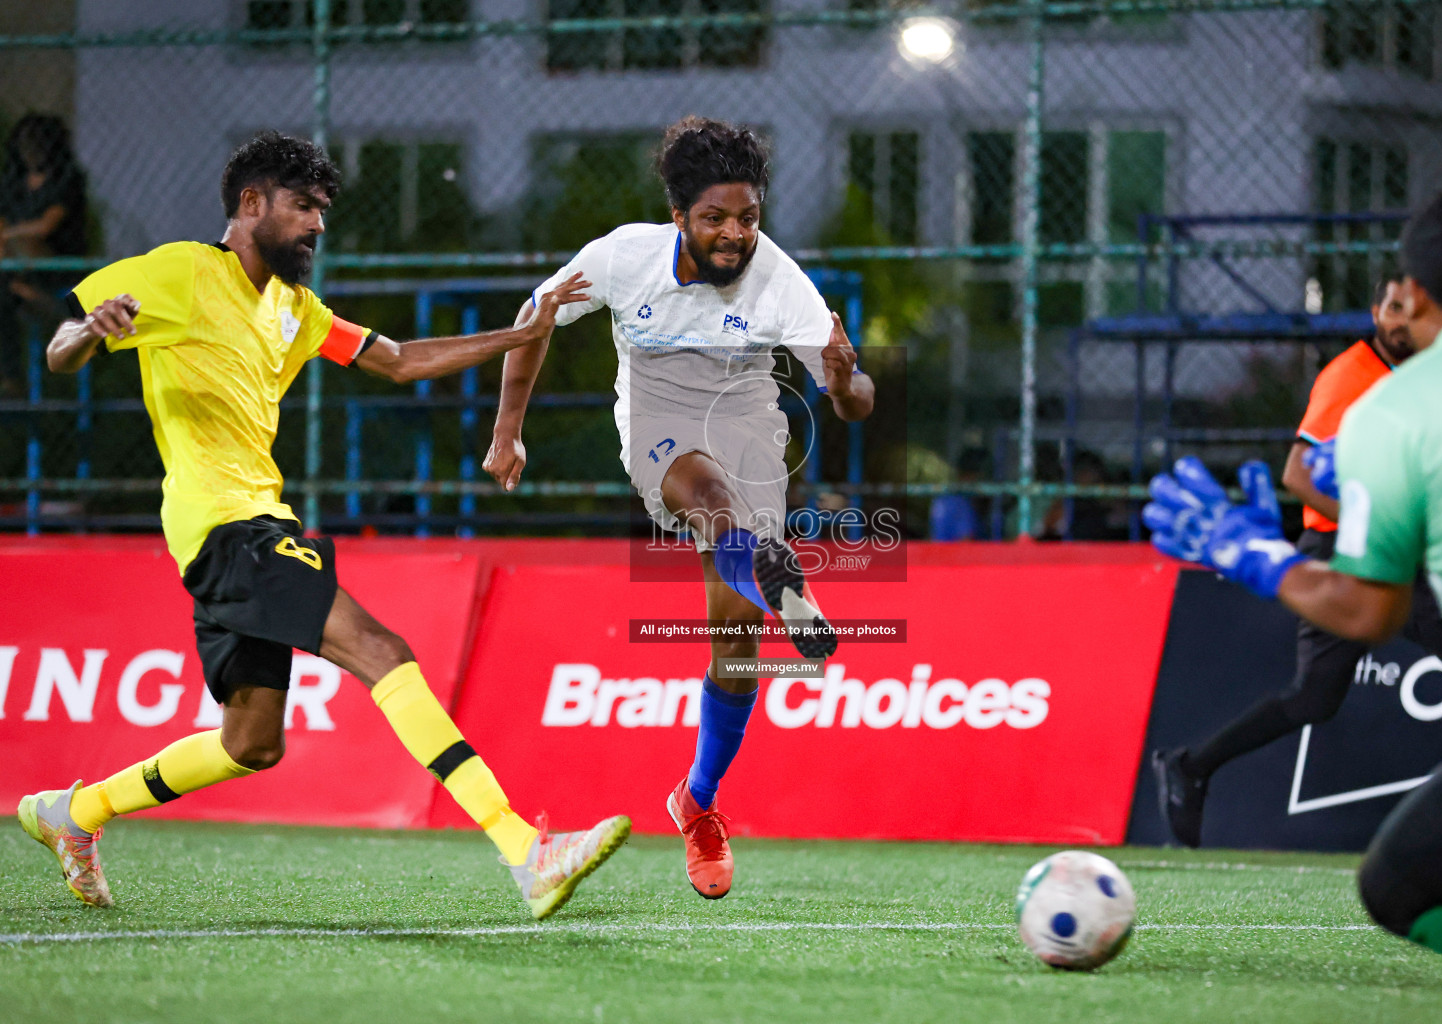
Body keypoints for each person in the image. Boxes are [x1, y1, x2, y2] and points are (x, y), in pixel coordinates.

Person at [17, 130, 629, 920]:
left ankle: (74, 813)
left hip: (245, 527)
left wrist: (521, 334)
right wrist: (91, 330)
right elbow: (61, 346)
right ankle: (524, 849)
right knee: (382, 651)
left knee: (251, 743)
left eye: (322, 210)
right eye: (304, 206)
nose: (318, 224)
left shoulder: (295, 309)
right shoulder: (177, 270)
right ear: (251, 204)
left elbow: (400, 359)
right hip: (226, 527)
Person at [1142, 182, 1442, 972]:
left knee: (1402, 888)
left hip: (1386, 583)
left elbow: (1367, 608)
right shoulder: (1363, 380)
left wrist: (1254, 554)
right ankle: (1192, 766)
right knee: (1337, 692)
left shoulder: (1403, 404)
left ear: (1416, 292)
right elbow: (1305, 468)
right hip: (1395, 559)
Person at [482, 116, 875, 900]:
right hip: (659, 424)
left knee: (734, 647)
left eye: (749, 217)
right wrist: (507, 433)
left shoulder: (782, 281)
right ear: (679, 218)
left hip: (748, 423)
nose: (736, 234)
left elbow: (858, 400)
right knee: (714, 504)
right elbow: (536, 320)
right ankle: (777, 576)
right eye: (716, 218)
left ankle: (696, 803)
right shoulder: (621, 259)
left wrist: (841, 382)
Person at [1150, 275, 1442, 848]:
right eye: (1393, 309)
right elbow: (1297, 475)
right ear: (1376, 312)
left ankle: (1191, 766)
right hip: (1346, 549)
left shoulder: (1422, 374)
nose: (1402, 322)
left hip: (1390, 545)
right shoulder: (1352, 376)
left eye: (1415, 311)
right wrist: (1374, 522)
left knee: (1317, 698)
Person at [0, 113, 89, 394]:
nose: (31, 150)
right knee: (4, 293)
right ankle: (11, 377)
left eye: (38, 143)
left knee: (26, 247)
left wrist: (10, 236)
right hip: (15, 266)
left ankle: (42, 301)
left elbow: (46, 227)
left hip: (56, 263)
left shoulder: (66, 179)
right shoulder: (14, 181)